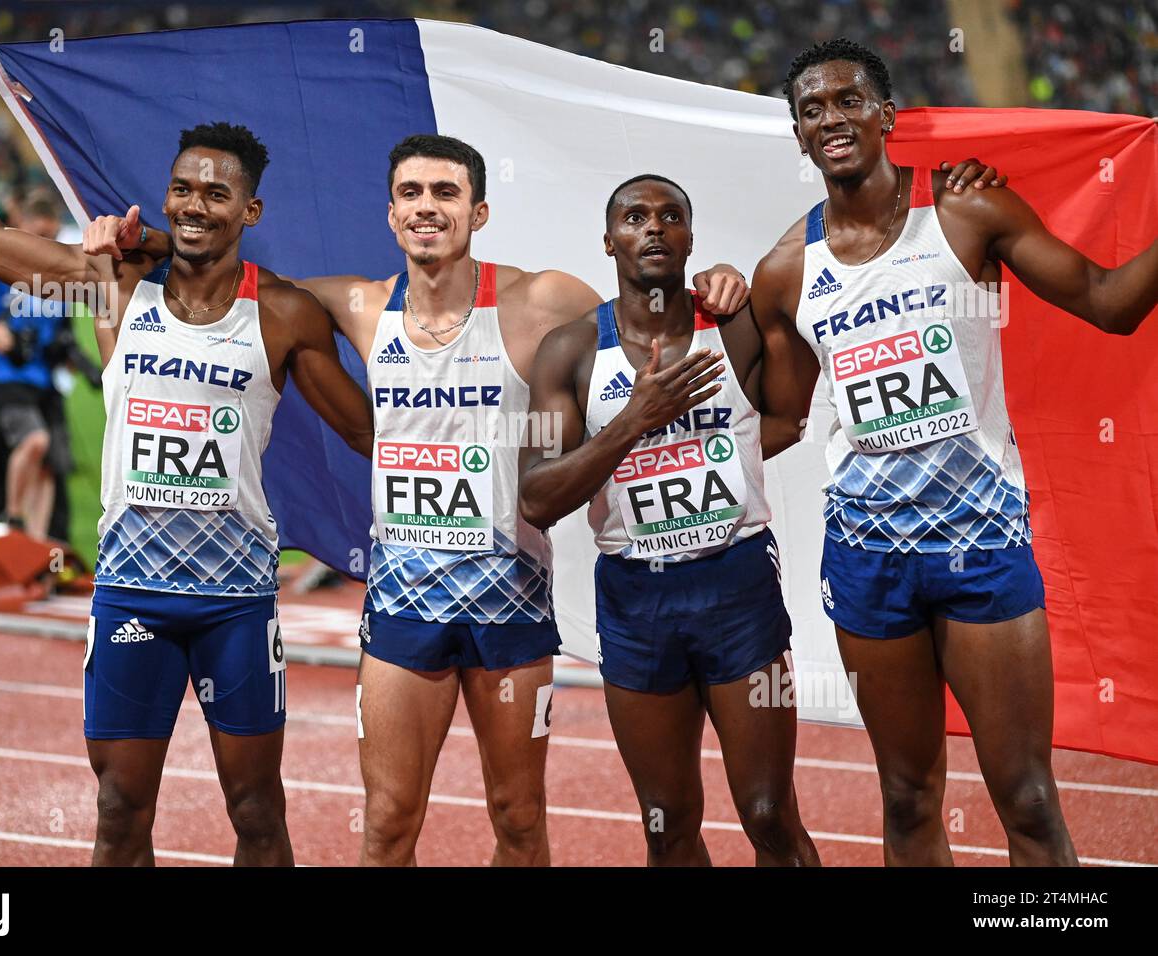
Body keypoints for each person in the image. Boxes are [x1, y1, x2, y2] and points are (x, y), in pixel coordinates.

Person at [89, 133, 751, 866]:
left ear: (480, 210)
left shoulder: (541, 299)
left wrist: (713, 282)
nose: (427, 208)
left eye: (445, 193)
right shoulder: (355, 303)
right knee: (389, 824)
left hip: (511, 606)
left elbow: (644, 303)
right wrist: (154, 240)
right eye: (411, 194)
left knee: (519, 818)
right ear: (392, 212)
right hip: (403, 608)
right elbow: (231, 274)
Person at [0, 39, 373, 866]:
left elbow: (362, 432)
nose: (195, 205)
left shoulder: (283, 314)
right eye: (182, 189)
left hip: (236, 600)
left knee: (256, 815)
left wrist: (471, 425)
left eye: (217, 192)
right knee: (120, 810)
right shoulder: (112, 282)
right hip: (131, 591)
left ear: (252, 212)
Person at [751, 37, 1158, 866]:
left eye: (849, 100)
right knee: (905, 799)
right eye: (812, 110)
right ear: (798, 136)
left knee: (1030, 802)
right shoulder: (786, 271)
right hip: (867, 556)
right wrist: (720, 323)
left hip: (980, 546)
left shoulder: (968, 212)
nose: (831, 118)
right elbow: (782, 415)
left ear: (887, 115)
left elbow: (1109, 303)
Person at [519, 174, 821, 865]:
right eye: (634, 217)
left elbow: (790, 416)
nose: (653, 228)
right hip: (636, 601)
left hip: (737, 584)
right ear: (609, 240)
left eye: (670, 216)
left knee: (771, 816)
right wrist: (635, 421)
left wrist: (729, 454)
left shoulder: (734, 322)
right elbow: (537, 497)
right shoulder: (567, 352)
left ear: (689, 237)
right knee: (667, 825)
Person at [0, 188, 97, 540]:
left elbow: (61, 327)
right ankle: (7, 531)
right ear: (24, 226)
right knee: (13, 455)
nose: (48, 242)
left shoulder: (62, 270)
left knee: (51, 466)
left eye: (54, 236)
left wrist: (75, 359)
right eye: (41, 235)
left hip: (45, 380)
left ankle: (45, 550)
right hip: (2, 376)